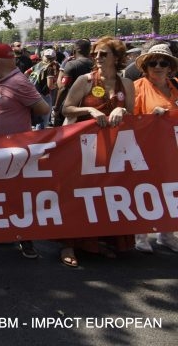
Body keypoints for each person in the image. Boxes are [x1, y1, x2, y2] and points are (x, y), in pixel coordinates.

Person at [58, 37, 135, 266]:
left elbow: (131, 114)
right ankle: (68, 245)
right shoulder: (86, 80)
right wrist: (90, 109)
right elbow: (65, 108)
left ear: (117, 58)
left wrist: (121, 109)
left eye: (103, 54)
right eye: (96, 54)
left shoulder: (127, 84)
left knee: (102, 194)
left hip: (112, 150)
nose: (98, 58)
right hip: (83, 149)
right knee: (76, 195)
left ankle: (95, 242)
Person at [0, 43, 50, 260]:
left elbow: (43, 109)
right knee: (1, 193)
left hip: (12, 150)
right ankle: (4, 233)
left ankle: (26, 238)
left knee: (18, 194)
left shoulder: (19, 82)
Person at [131, 43, 178, 253]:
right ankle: (141, 235)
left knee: (170, 191)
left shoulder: (176, 86)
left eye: (163, 62)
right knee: (145, 191)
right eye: (153, 62)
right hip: (145, 149)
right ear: (146, 66)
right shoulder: (138, 86)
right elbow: (129, 118)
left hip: (172, 150)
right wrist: (151, 117)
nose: (157, 66)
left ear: (170, 66)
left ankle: (166, 234)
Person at [52, 38, 93, 126]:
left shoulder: (71, 64)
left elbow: (63, 88)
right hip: (90, 105)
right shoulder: (95, 64)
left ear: (74, 51)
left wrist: (56, 108)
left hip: (71, 106)